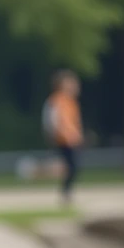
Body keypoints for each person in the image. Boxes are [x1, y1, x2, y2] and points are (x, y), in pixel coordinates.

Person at [43, 70, 83, 205]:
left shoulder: (70, 101)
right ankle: (66, 193)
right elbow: (52, 119)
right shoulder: (57, 100)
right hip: (63, 139)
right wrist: (55, 133)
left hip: (71, 138)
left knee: (72, 167)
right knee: (70, 166)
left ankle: (67, 192)